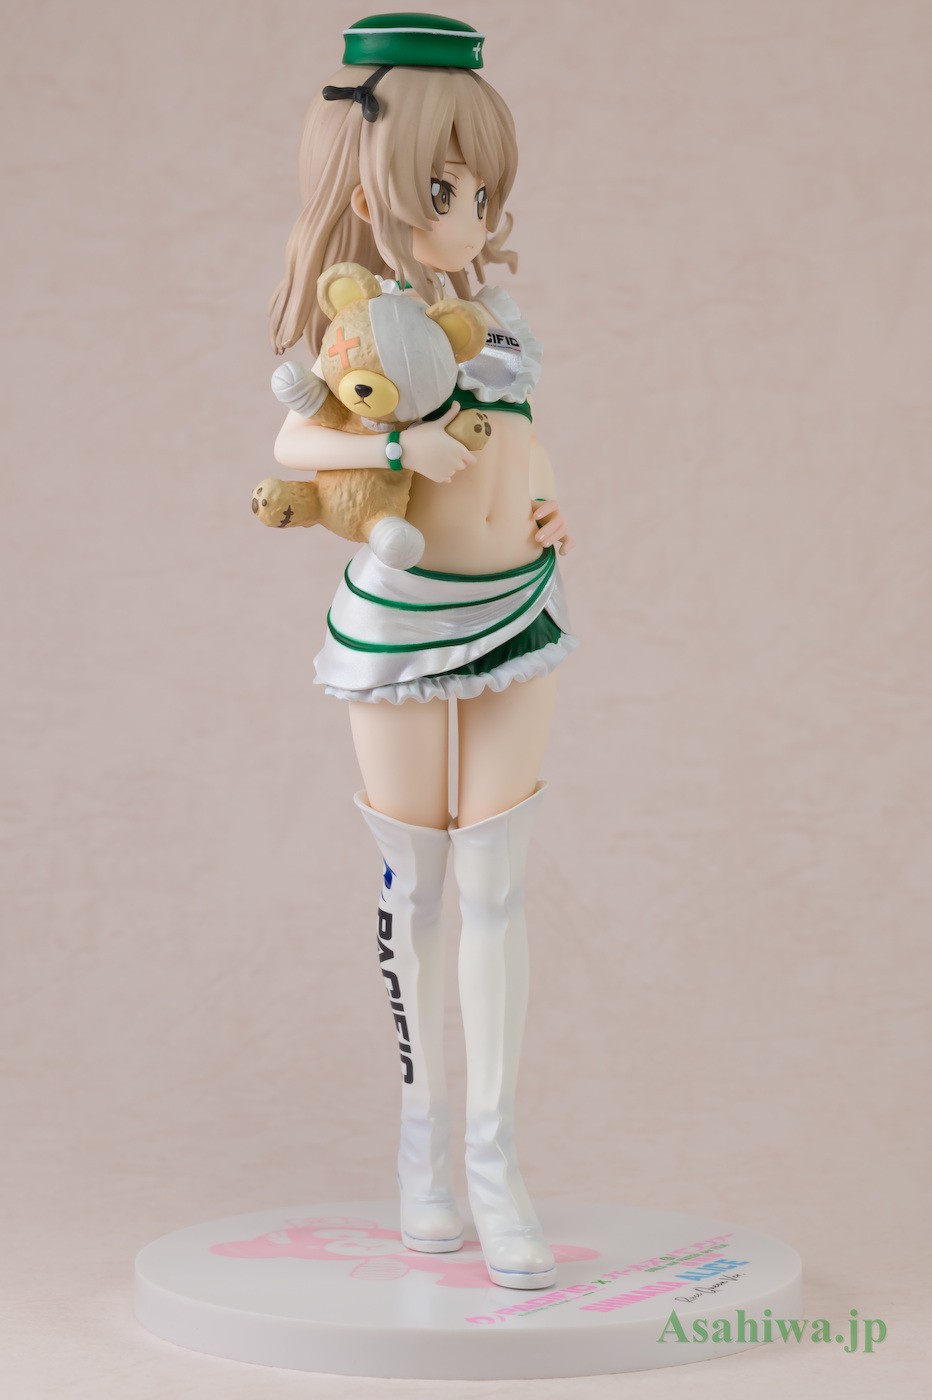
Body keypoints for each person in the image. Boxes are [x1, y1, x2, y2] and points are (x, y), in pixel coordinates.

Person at [268, 13, 578, 1291]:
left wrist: (546, 501)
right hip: (400, 621)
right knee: (419, 888)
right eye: (445, 189)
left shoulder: (490, 313)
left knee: (500, 882)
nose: (469, 215)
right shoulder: (358, 328)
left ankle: (496, 1166)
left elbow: (521, 432)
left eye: (481, 192)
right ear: (371, 189)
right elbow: (295, 445)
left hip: (517, 606)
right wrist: (399, 445)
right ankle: (423, 1155)